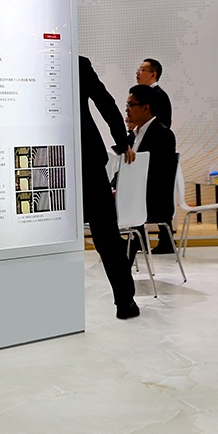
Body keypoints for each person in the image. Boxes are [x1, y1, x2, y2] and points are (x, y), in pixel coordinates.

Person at [79, 56, 139, 319]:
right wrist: (122, 142)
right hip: (86, 158)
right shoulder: (79, 64)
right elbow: (106, 102)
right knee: (106, 236)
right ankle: (125, 302)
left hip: (46, 157)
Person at [124, 84, 178, 253]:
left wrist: (126, 189)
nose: (127, 110)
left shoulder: (163, 135)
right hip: (136, 194)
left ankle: (127, 244)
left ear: (145, 107)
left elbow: (158, 175)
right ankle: (129, 242)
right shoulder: (133, 136)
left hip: (152, 199)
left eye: (131, 105)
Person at [136, 58, 172, 129]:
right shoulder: (139, 95)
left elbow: (164, 124)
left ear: (153, 75)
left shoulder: (160, 96)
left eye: (142, 70)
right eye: (138, 70)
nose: (137, 73)